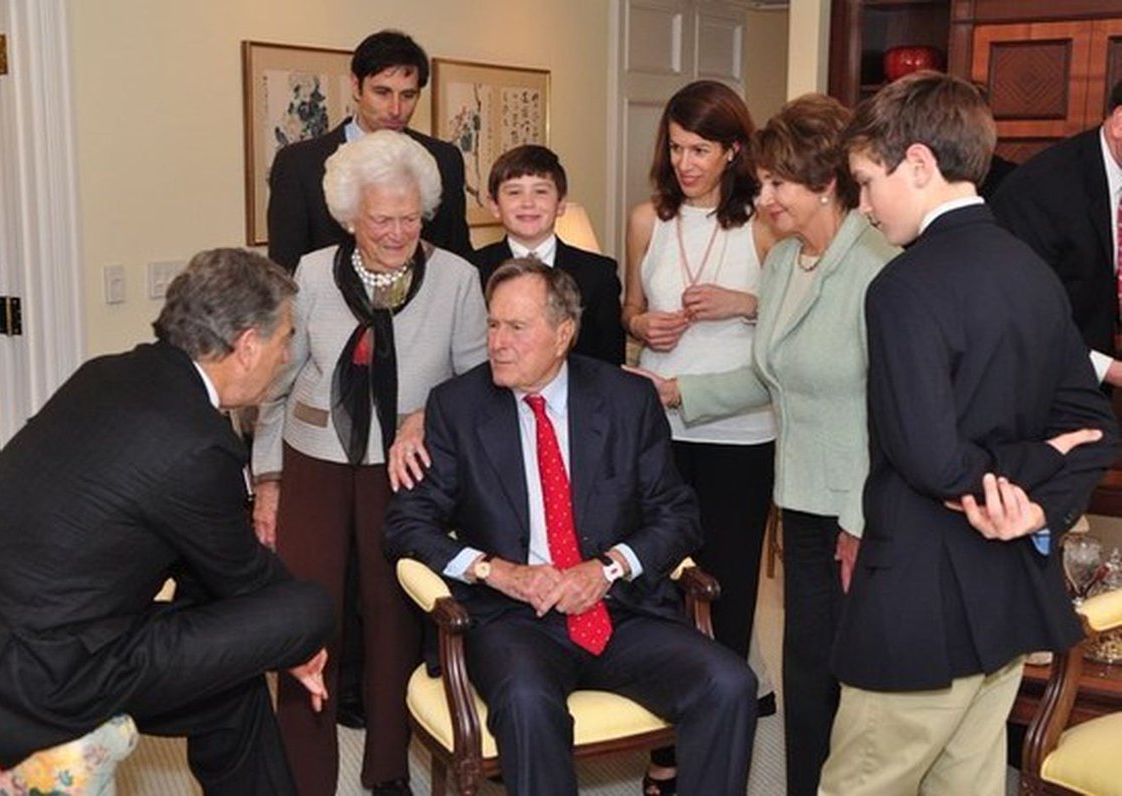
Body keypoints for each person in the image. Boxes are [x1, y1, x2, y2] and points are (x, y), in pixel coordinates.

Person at [0, 248, 333, 795]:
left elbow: (206, 566)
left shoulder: (108, 374)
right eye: (284, 341)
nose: (286, 357)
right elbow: (246, 578)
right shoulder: (193, 443)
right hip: (36, 678)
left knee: (232, 688)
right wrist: (300, 642)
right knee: (306, 607)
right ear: (247, 346)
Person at [819, 71, 1118, 795]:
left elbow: (930, 458)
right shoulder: (1033, 273)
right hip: (1009, 594)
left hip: (919, 603)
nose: (861, 207)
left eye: (865, 182)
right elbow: (1096, 428)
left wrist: (1024, 479)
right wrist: (1041, 493)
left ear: (918, 164)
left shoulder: (902, 286)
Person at [384, 259, 757, 796]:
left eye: (517, 328)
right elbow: (406, 523)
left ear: (563, 335)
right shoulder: (457, 407)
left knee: (728, 682)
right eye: (492, 325)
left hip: (621, 610)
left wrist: (608, 568)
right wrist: (496, 571)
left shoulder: (626, 401)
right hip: (514, 620)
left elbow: (679, 514)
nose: (497, 342)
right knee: (528, 703)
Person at [632, 93, 898, 796]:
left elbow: (893, 405)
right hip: (799, 497)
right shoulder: (785, 265)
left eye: (778, 181)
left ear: (827, 184)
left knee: (855, 682)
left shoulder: (879, 266)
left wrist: (861, 520)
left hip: (858, 512)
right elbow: (766, 371)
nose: (765, 193)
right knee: (806, 673)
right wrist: (677, 392)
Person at [252, 129, 486, 796]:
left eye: (410, 218)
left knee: (396, 620)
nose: (397, 232)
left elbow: (478, 388)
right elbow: (276, 381)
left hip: (407, 469)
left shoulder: (457, 280)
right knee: (307, 616)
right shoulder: (312, 272)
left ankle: (388, 772)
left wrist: (428, 416)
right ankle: (303, 778)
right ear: (350, 216)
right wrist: (266, 480)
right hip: (313, 462)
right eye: (382, 219)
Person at [623, 79, 775, 794]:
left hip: (741, 432)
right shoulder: (646, 220)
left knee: (729, 585)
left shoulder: (766, 224)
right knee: (656, 583)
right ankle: (664, 745)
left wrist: (742, 304)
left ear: (734, 150)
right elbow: (629, 307)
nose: (686, 163)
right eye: (677, 148)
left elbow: (789, 325)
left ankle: (716, 736)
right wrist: (640, 326)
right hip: (659, 427)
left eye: (701, 150)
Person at [267, 29, 472, 271]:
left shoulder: (444, 159)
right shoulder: (299, 164)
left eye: (408, 95)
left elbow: (457, 255)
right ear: (356, 86)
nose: (396, 109)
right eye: (382, 93)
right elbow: (284, 269)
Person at [990, 79, 1122, 388]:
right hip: (1036, 385)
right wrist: (1113, 371)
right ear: (1120, 124)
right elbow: (1021, 319)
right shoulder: (1042, 190)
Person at [471, 144, 625, 365]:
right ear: (494, 205)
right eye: (514, 192)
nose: (528, 203)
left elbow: (609, 363)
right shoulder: (470, 271)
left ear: (561, 203)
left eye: (541, 192)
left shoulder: (599, 274)